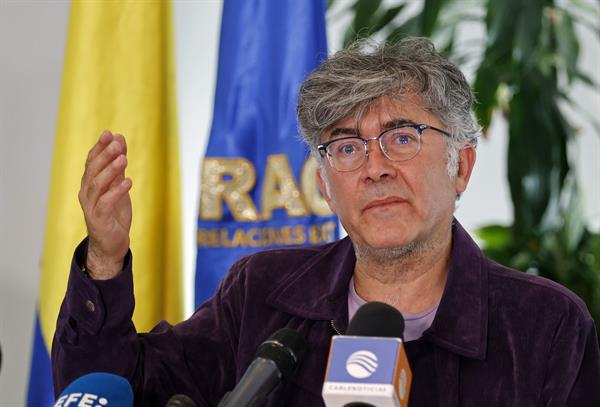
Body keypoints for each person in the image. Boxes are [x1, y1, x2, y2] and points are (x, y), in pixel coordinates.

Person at [52, 37, 600, 406]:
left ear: (461, 165)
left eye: (402, 137)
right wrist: (105, 258)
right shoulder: (262, 293)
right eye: (347, 147)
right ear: (325, 187)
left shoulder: (544, 326)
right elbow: (107, 390)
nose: (375, 168)